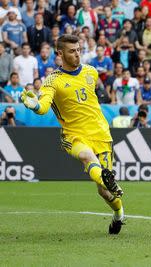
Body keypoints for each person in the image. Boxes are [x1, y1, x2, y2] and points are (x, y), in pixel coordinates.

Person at [20, 34, 125, 234]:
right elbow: (43, 107)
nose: (77, 54)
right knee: (86, 156)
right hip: (73, 134)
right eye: (72, 51)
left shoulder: (91, 72)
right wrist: (34, 105)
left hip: (101, 134)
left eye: (78, 50)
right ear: (59, 53)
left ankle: (119, 215)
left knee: (103, 192)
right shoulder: (52, 80)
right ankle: (109, 181)